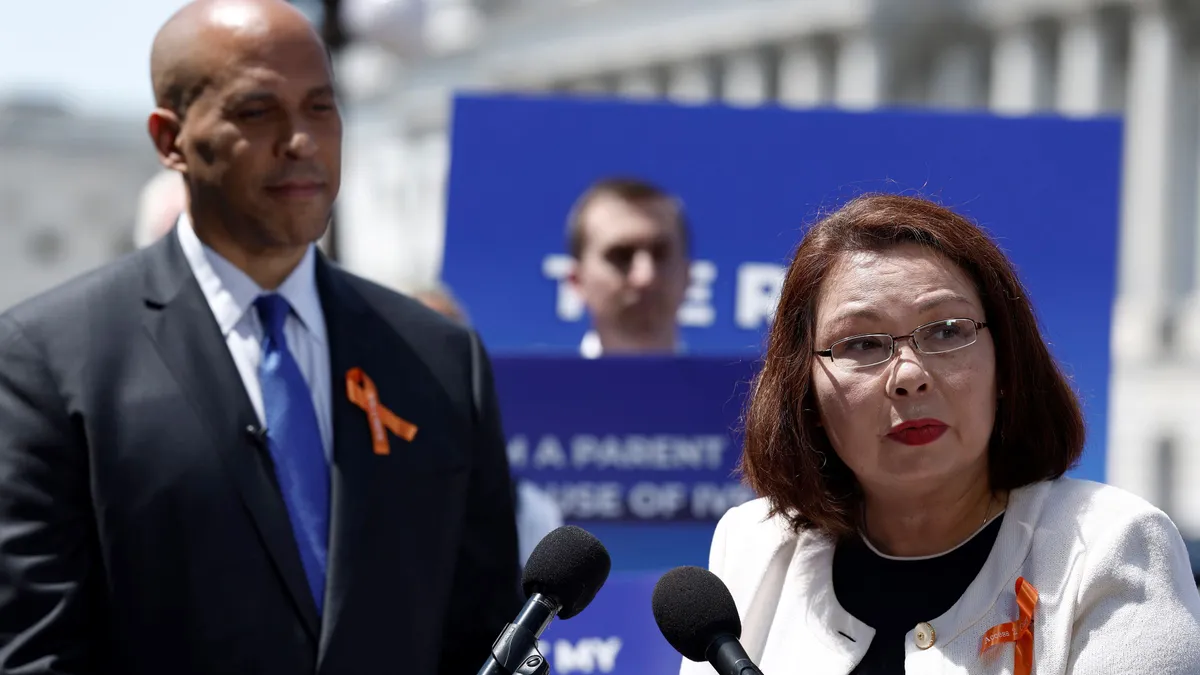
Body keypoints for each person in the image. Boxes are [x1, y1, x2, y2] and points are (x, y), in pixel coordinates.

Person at [0, 1, 520, 673]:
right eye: (256, 111)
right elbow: (38, 653)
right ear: (170, 139)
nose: (300, 139)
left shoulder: (440, 358)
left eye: (321, 108)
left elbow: (485, 634)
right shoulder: (52, 361)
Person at [680, 194, 1200, 675]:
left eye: (947, 331)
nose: (909, 375)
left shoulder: (1111, 546)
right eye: (861, 343)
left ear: (1006, 368)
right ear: (806, 392)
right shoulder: (753, 545)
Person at [409, 281, 565, 566]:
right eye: (414, 353)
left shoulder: (527, 510)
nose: (433, 373)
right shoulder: (353, 495)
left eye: (447, 353)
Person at [565, 177, 690, 358]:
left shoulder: (726, 385)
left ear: (688, 275)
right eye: (621, 256)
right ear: (577, 281)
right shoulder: (532, 386)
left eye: (660, 254)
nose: (645, 277)